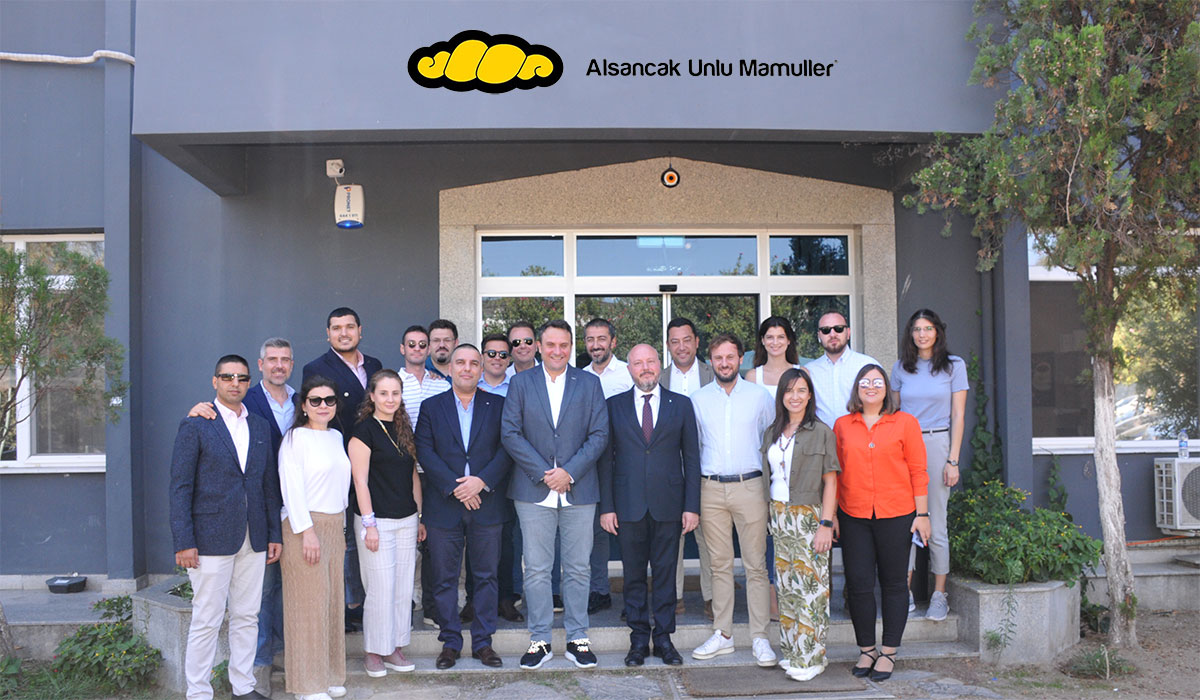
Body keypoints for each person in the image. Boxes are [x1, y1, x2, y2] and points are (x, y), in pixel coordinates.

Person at [183, 339, 294, 696]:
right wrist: (184, 541)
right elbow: (180, 487)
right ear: (215, 381)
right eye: (228, 377)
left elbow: (267, 485)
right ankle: (198, 692)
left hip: (255, 537)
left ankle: (243, 686)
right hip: (210, 537)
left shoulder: (259, 426)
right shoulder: (197, 424)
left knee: (247, 616)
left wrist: (273, 533)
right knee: (207, 618)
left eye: (242, 378)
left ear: (249, 382)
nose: (235, 383)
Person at [501, 319, 610, 670]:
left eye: (563, 345)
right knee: (536, 569)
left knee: (578, 568)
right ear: (538, 346)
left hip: (579, 488)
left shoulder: (589, 383)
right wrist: (546, 474)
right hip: (533, 489)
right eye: (550, 345)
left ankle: (578, 638)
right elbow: (510, 433)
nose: (557, 351)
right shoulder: (520, 383)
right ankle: (540, 640)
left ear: (571, 347)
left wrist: (569, 472)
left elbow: (599, 434)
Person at [599, 344, 699, 667]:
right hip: (627, 506)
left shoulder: (680, 404)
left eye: (651, 361)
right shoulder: (613, 406)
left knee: (666, 574)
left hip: (669, 505)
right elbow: (606, 461)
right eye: (638, 363)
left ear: (660, 364)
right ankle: (639, 639)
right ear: (629, 369)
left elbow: (692, 459)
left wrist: (692, 506)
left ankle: (665, 638)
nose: (645, 368)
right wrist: (607, 507)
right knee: (633, 576)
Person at [415, 345, 513, 669]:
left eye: (473, 363)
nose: (467, 368)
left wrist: (481, 482)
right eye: (461, 362)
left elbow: (507, 449)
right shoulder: (431, 407)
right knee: (444, 579)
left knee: (486, 577)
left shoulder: (499, 405)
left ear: (481, 368)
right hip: (445, 506)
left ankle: (483, 643)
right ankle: (450, 643)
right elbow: (424, 451)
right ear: (451, 368)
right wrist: (458, 487)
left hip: (487, 504)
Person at [833, 364, 930, 683]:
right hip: (854, 515)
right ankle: (866, 649)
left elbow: (918, 471)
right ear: (857, 389)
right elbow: (835, 474)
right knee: (858, 584)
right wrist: (832, 515)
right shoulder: (842, 425)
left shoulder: (905, 423)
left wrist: (922, 515)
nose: (871, 386)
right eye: (865, 382)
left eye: (877, 382)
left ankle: (888, 652)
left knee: (894, 583)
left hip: (897, 514)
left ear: (886, 388)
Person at [688, 333, 777, 668]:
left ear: (741, 359)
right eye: (718, 358)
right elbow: (693, 448)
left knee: (756, 565)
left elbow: (771, 442)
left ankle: (760, 637)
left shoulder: (759, 397)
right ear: (710, 361)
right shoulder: (697, 400)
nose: (724, 363)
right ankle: (723, 634)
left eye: (730, 357)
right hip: (710, 489)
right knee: (719, 564)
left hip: (750, 486)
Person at [301, 307, 382, 632]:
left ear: (360, 330)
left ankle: (368, 601)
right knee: (344, 536)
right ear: (328, 334)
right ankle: (347, 606)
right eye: (337, 328)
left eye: (349, 327)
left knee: (369, 532)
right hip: (337, 461)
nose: (344, 333)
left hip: (374, 463)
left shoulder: (374, 365)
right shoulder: (316, 368)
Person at [760, 368, 839, 682]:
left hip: (809, 516)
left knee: (811, 589)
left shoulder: (821, 432)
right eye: (789, 390)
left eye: (801, 390)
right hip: (779, 516)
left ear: (810, 395)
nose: (795, 396)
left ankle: (812, 658)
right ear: (781, 395)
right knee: (787, 589)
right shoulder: (772, 432)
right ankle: (793, 652)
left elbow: (831, 482)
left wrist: (826, 523)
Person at [278, 376, 352, 700]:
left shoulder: (336, 436)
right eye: (316, 400)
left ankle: (330, 675)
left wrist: (342, 530)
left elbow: (341, 488)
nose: (323, 406)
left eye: (329, 400)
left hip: (334, 526)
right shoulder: (295, 438)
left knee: (332, 603)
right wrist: (306, 531)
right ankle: (307, 685)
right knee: (308, 606)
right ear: (304, 405)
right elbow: (291, 488)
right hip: (305, 526)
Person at [891, 309, 967, 621]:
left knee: (936, 520)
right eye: (917, 329)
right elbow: (894, 413)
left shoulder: (953, 366)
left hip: (937, 443)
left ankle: (939, 594)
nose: (922, 334)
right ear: (910, 334)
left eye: (928, 328)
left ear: (937, 332)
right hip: (903, 446)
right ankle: (904, 591)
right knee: (903, 520)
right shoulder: (900, 367)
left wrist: (953, 460)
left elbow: (958, 415)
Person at [348, 370, 423, 678]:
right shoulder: (363, 431)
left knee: (403, 588)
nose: (390, 399)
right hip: (376, 520)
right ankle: (374, 651)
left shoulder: (404, 428)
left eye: (395, 393)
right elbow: (360, 481)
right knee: (380, 589)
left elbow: (413, 474)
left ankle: (395, 647)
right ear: (373, 396)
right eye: (384, 393)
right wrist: (369, 525)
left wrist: (420, 516)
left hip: (407, 519)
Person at [660, 317, 715, 618]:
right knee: (671, 539)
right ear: (668, 346)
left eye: (686, 340)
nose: (681, 347)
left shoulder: (713, 373)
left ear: (696, 342)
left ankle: (712, 597)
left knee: (709, 538)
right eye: (674, 341)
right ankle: (674, 596)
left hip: (706, 468)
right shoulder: (658, 377)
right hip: (669, 471)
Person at [581, 317, 633, 615]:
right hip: (591, 465)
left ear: (613, 341)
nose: (596, 344)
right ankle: (599, 590)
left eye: (601, 338)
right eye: (590, 339)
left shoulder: (628, 373)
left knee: (630, 532)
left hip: (625, 462)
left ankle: (634, 598)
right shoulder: (578, 377)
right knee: (596, 531)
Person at [397, 323, 449, 624]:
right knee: (402, 542)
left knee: (432, 544)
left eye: (422, 344)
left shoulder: (441, 384)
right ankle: (402, 604)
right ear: (402, 349)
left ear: (428, 349)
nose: (417, 349)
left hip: (432, 474)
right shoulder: (393, 382)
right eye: (411, 344)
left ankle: (431, 607)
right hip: (400, 473)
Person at [478, 332, 525, 623]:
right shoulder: (470, 384)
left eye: (502, 354)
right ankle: (476, 600)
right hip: (474, 476)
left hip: (510, 471)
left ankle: (507, 598)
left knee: (507, 539)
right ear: (482, 357)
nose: (497, 358)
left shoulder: (518, 387)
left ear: (509, 359)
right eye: (491, 353)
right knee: (476, 540)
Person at [804, 310, 879, 428]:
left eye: (838, 329)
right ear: (819, 336)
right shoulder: (810, 371)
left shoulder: (868, 365)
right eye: (826, 330)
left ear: (848, 332)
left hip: (861, 436)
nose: (832, 334)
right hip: (822, 438)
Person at [745, 316, 802, 399]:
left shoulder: (801, 373)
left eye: (781, 337)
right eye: (770, 337)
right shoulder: (753, 376)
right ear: (763, 340)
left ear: (788, 340)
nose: (775, 342)